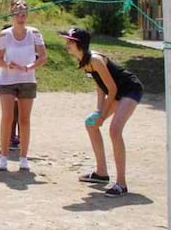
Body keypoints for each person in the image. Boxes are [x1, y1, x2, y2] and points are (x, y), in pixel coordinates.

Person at [61, 27, 143, 197]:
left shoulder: (96, 60)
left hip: (130, 89)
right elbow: (100, 87)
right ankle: (101, 173)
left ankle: (121, 184)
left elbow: (112, 89)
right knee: (91, 124)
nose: (66, 44)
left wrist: (103, 116)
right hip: (117, 92)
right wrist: (99, 111)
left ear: (79, 44)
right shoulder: (84, 61)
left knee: (114, 131)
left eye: (69, 41)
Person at [0, 0, 47, 172]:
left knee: (24, 119)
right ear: (12, 13)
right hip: (6, 80)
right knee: (7, 117)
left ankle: (24, 158)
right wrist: (8, 65)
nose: (21, 15)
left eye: (24, 12)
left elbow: (43, 57)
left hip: (27, 79)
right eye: (17, 11)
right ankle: (3, 157)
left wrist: (29, 67)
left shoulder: (35, 33)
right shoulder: (4, 35)